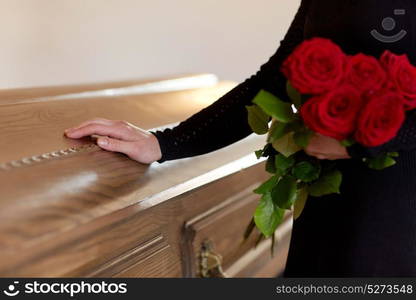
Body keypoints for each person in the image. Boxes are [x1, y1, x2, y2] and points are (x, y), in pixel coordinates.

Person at [65, 0, 416, 277]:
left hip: (397, 206)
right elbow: (278, 74)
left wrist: (364, 141)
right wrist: (165, 143)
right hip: (331, 199)